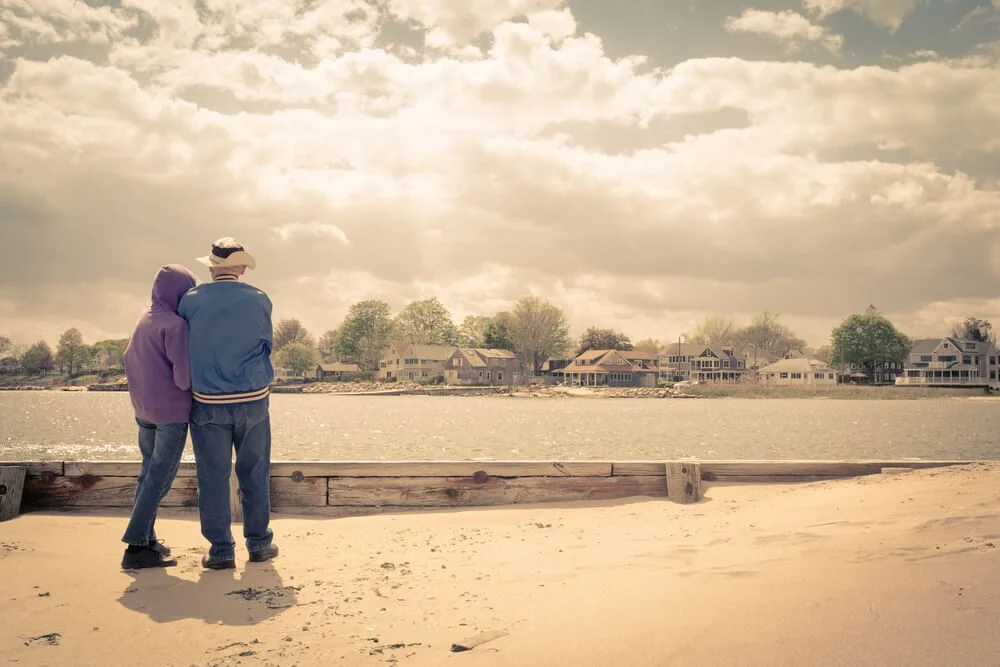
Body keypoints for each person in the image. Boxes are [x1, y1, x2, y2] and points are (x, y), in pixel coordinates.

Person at [178, 237, 278, 570]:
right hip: (252, 400)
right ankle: (259, 543)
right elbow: (267, 344)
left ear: (211, 266)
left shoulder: (189, 301)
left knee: (213, 477)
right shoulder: (260, 299)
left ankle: (221, 550)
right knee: (254, 472)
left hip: (207, 401)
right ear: (240, 267)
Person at [120, 264, 197, 569]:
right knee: (160, 478)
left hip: (143, 410)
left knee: (147, 474)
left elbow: (129, 358)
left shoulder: (144, 318)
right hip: (170, 414)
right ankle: (136, 546)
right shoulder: (176, 326)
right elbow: (183, 379)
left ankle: (148, 540)